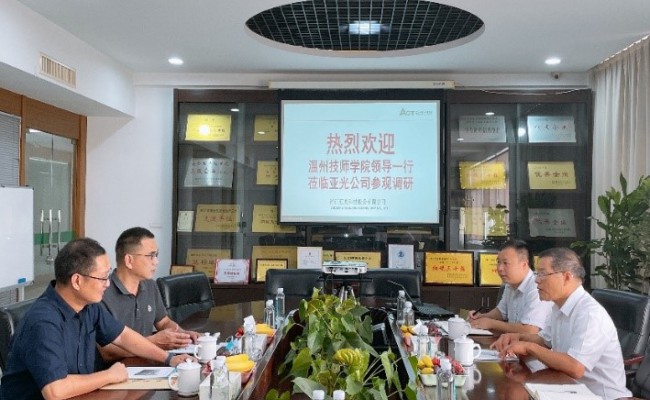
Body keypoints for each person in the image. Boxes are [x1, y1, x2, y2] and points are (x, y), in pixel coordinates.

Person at [0, 238, 193, 400]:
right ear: (77, 281)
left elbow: (124, 337)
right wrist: (109, 375)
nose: (107, 284)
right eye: (102, 278)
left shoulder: (88, 307)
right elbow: (55, 391)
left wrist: (169, 359)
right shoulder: (43, 321)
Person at [491, 247, 632, 400]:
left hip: (599, 396)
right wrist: (517, 337)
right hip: (566, 389)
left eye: (543, 274)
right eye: (537, 274)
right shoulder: (558, 306)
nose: (536, 280)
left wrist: (528, 347)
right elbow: (544, 340)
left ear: (566, 277)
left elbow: (576, 367)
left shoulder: (589, 313)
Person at [98, 227, 199, 362]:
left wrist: (183, 336)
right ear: (129, 260)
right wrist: (153, 342)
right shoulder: (101, 293)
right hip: (118, 368)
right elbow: (107, 352)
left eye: (156, 255)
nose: (156, 261)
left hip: (149, 362)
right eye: (151, 256)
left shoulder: (150, 285)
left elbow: (163, 322)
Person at [468, 239, 552, 334]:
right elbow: (501, 312)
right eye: (498, 262)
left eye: (505, 263)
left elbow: (530, 330)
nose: (499, 268)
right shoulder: (510, 284)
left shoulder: (537, 287)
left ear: (524, 264)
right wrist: (482, 317)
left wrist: (491, 323)